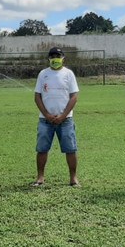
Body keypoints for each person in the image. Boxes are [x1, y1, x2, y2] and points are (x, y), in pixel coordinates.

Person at [32, 47, 80, 187]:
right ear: (48, 58)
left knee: (70, 149)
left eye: (57, 56)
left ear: (63, 58)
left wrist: (63, 115)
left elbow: (74, 96)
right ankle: (40, 177)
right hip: (45, 120)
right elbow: (37, 96)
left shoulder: (68, 74)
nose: (55, 59)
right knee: (42, 149)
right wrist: (46, 114)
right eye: (52, 56)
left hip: (66, 120)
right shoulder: (43, 74)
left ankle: (73, 178)